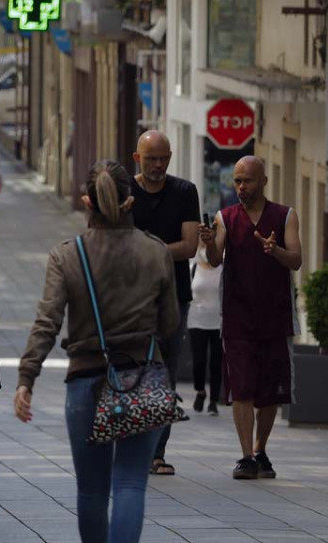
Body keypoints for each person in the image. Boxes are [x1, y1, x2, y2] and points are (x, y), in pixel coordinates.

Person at [14, 160, 179, 543]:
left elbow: (47, 322)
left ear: (87, 201)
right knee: (130, 485)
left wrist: (26, 379)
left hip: (86, 381)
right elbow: (170, 324)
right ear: (128, 201)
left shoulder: (68, 255)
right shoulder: (155, 252)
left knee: (91, 490)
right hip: (142, 378)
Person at [200, 155, 302, 480]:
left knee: (269, 393)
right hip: (237, 317)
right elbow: (216, 260)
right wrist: (208, 245)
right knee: (241, 389)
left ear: (263, 182)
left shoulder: (285, 216)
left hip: (275, 316)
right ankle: (246, 457)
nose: (242, 187)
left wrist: (276, 251)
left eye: (248, 181)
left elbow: (297, 260)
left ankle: (261, 449)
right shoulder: (226, 218)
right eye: (238, 181)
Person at [129, 130, 200, 477]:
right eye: (151, 158)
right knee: (133, 371)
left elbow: (189, 246)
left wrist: (145, 250)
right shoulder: (124, 192)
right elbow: (110, 243)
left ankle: (157, 453)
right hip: (129, 301)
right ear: (137, 158)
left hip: (174, 298)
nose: (158, 165)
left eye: (163, 158)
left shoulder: (185, 192)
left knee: (166, 375)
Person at [188, 240, 223, 416]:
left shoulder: (223, 267)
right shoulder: (194, 267)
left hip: (219, 322)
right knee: (199, 361)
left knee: (217, 363)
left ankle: (214, 401)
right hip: (197, 319)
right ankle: (200, 391)